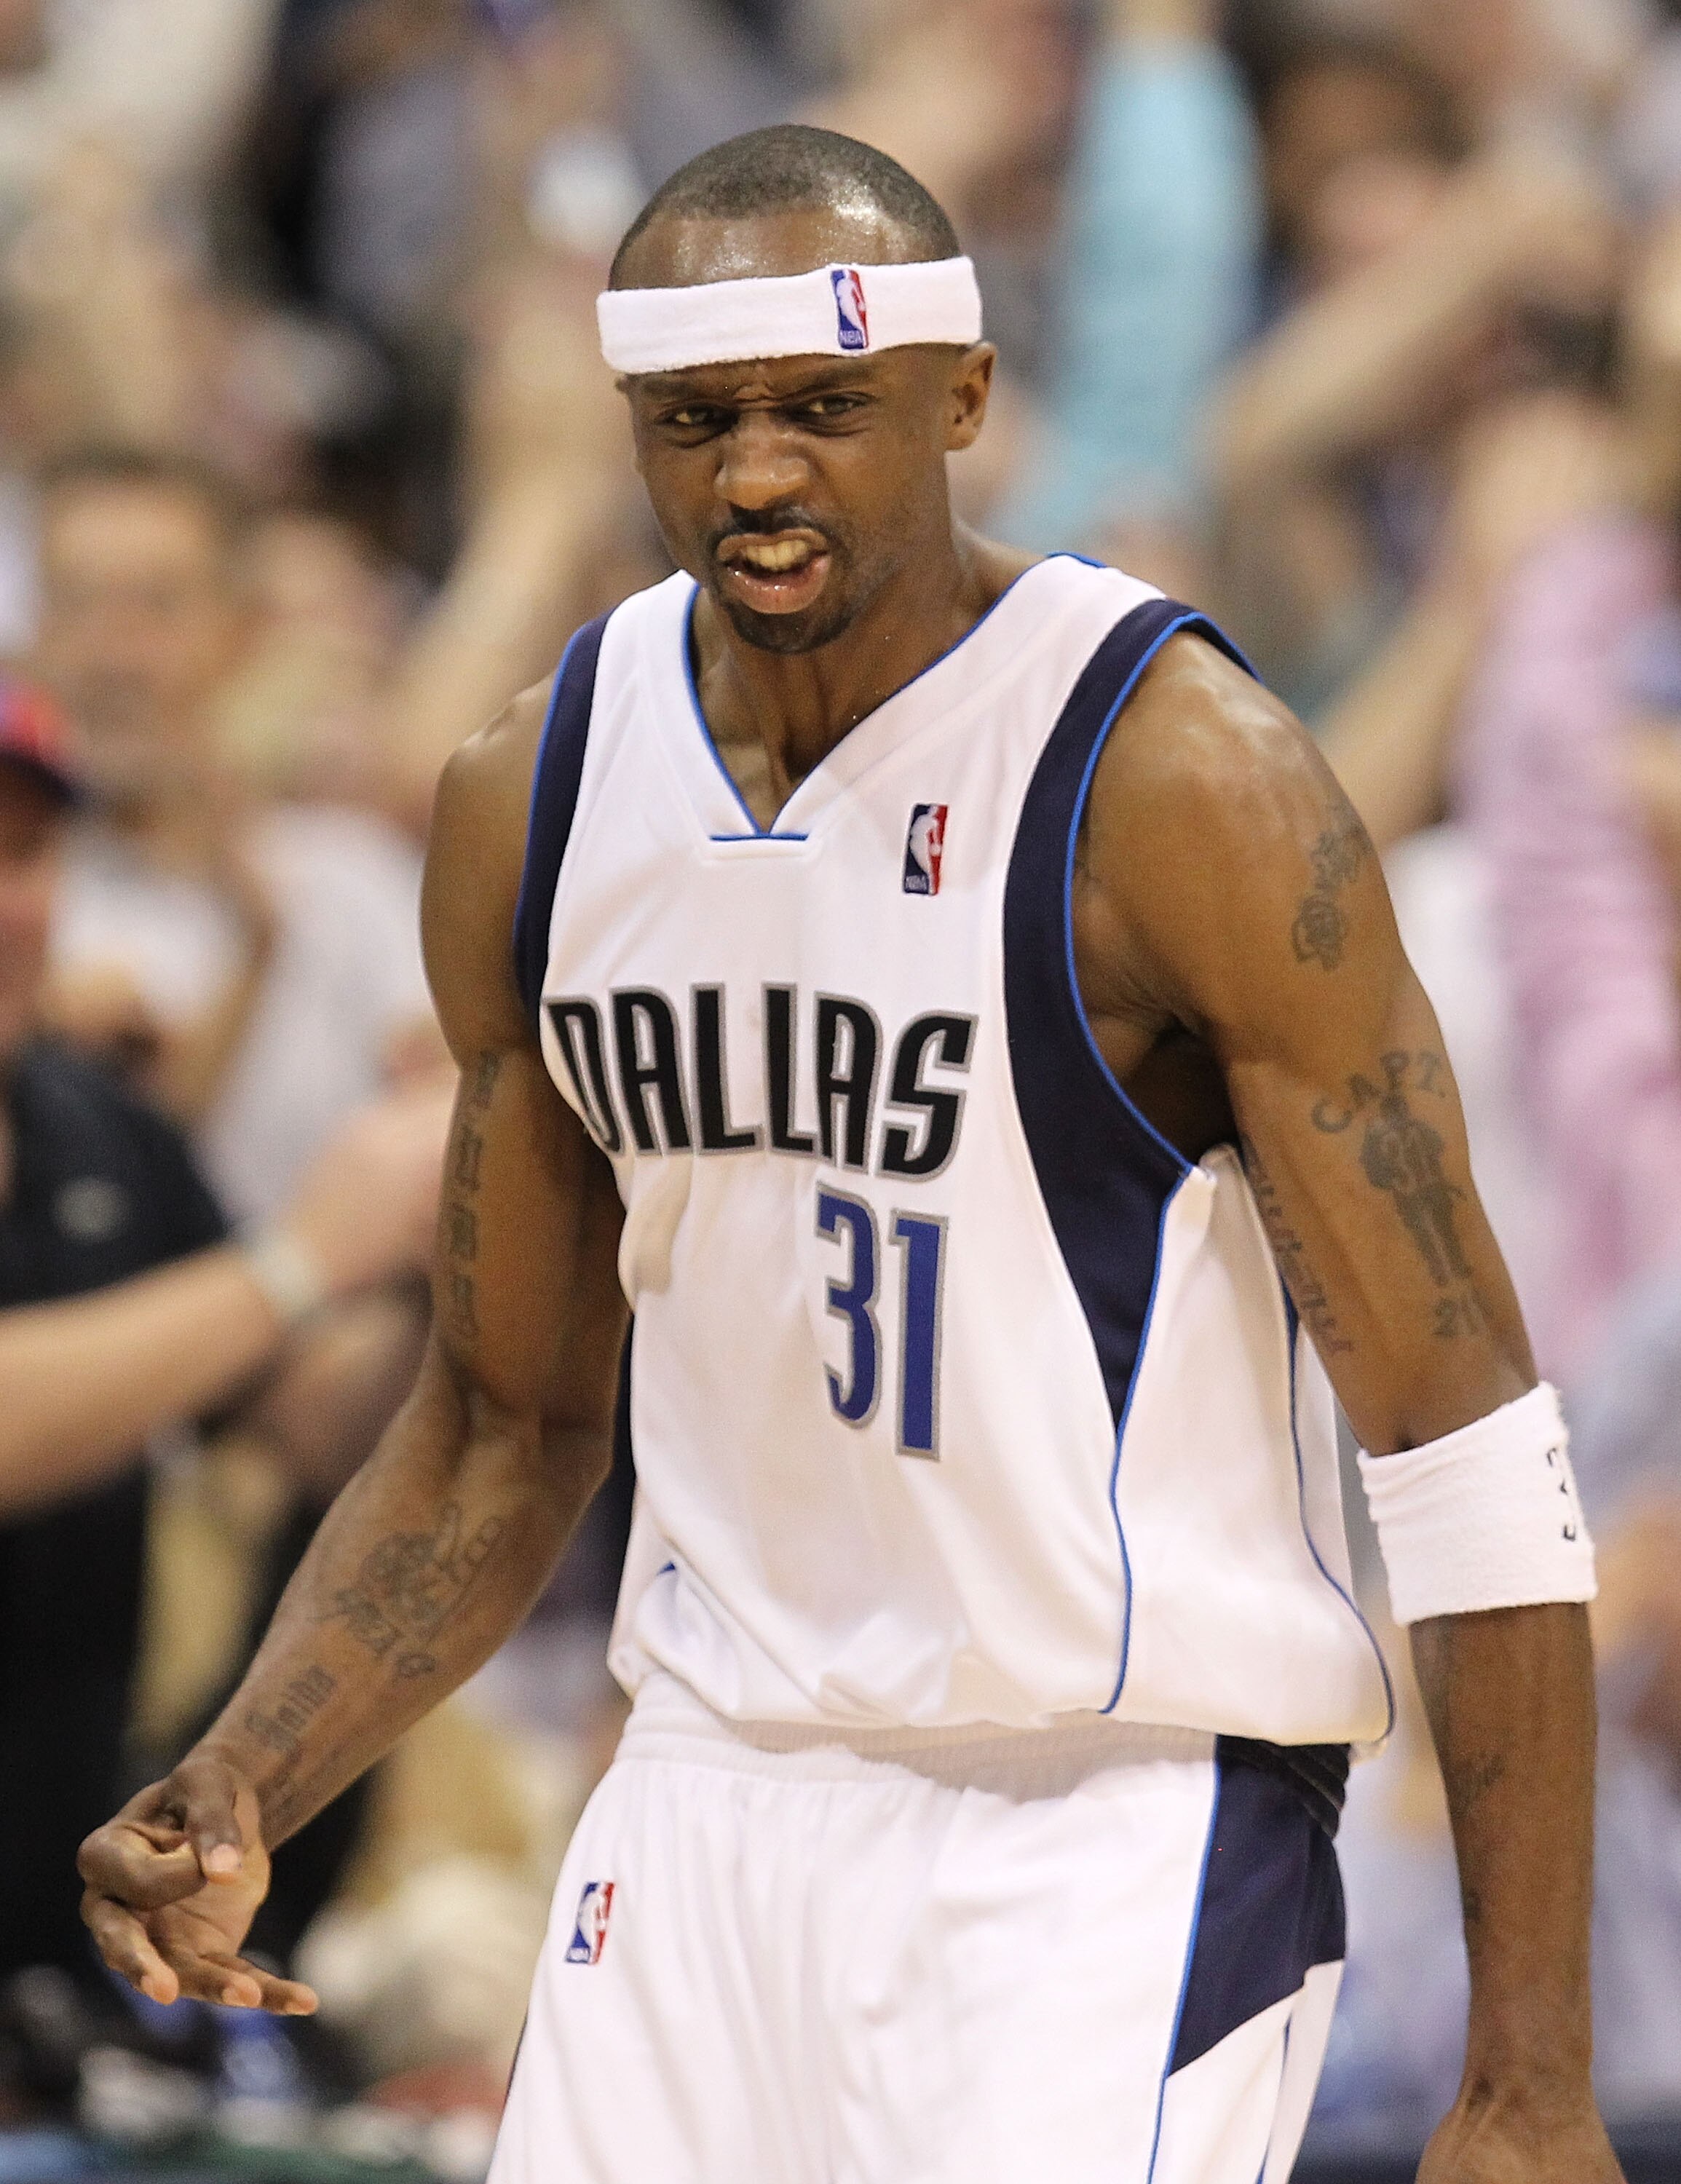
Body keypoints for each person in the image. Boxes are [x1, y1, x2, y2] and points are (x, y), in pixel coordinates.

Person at [79, 124, 1615, 2184]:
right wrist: (254, 1768)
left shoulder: (1177, 781)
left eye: (822, 409)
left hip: (1103, 1817)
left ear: (961, 398)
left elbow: (1462, 1446)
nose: (756, 474)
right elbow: (500, 1419)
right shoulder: (529, 797)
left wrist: (1524, 2078)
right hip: (703, 1794)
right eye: (695, 420)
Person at [0, 673, 447, 1995]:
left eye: (24, 854)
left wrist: (449, 1248)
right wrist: (305, 1254)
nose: (7, 902)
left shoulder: (95, 1126)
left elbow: (298, 1418)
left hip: (50, 1976)